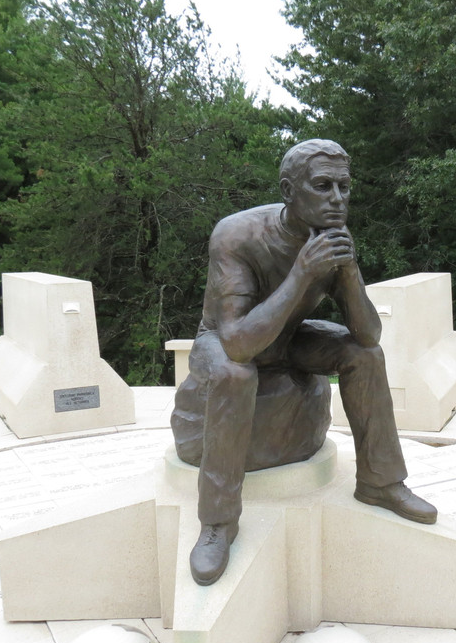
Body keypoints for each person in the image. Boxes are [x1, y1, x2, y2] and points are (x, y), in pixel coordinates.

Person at [171, 139, 437, 586]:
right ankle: (218, 522)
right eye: (323, 186)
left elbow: (369, 334)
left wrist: (348, 273)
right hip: (223, 340)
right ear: (289, 190)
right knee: (235, 373)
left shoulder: (331, 239)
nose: (337, 199)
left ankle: (379, 481)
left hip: (287, 337)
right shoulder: (236, 235)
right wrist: (303, 274)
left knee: (363, 355)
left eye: (345, 187)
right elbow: (237, 342)